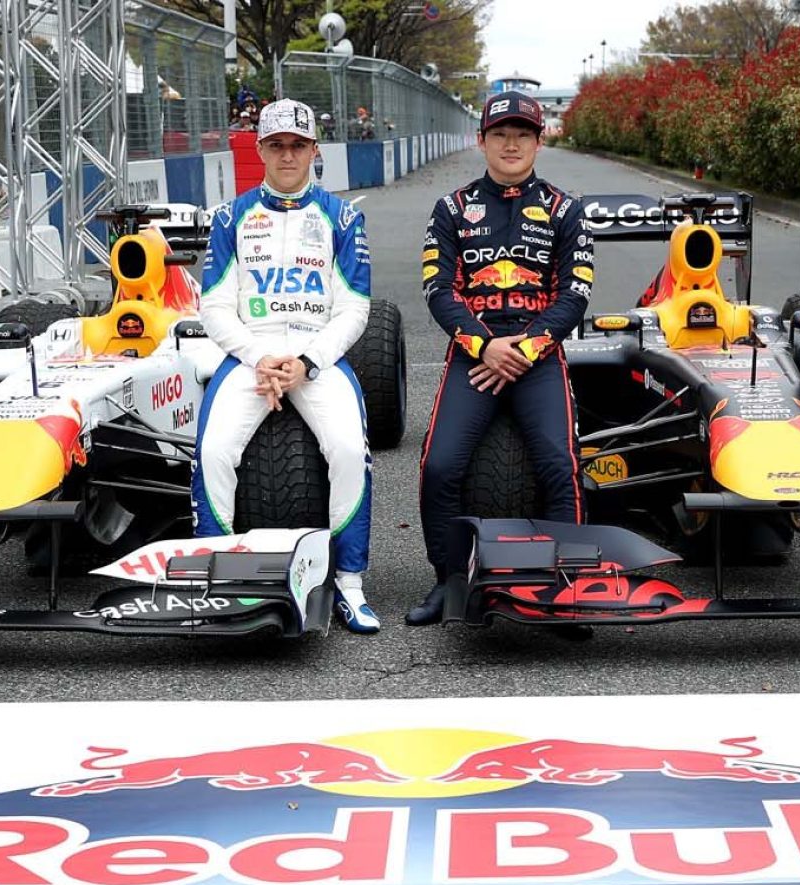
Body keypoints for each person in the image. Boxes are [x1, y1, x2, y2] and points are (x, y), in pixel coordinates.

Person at [406, 90, 595, 627]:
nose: (511, 144)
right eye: (500, 134)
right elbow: (438, 289)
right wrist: (485, 345)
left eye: (522, 134)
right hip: (476, 353)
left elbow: (574, 294)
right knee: (439, 465)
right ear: (481, 140)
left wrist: (525, 349)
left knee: (561, 468)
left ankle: (571, 589)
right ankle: (447, 581)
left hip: (540, 355)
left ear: (539, 140)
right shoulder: (451, 208)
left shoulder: (565, 209)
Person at [191, 99, 380, 634]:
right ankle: (215, 578)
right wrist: (261, 359)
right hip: (250, 355)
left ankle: (349, 583)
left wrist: (306, 362)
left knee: (347, 448)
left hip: (317, 356)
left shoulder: (343, 216)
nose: (288, 154)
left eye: (298, 145)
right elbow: (214, 306)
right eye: (277, 145)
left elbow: (355, 308)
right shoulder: (230, 216)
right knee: (213, 450)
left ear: (314, 150)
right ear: (261, 150)